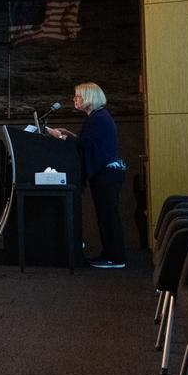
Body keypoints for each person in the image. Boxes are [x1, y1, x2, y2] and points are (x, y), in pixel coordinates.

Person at [47, 81, 127, 269]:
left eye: (78, 96)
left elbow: (84, 145)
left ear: (89, 98)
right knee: (106, 215)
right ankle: (110, 254)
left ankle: (115, 258)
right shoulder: (98, 117)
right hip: (107, 172)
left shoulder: (98, 119)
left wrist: (60, 136)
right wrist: (69, 135)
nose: (74, 99)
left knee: (108, 216)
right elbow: (87, 142)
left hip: (106, 173)